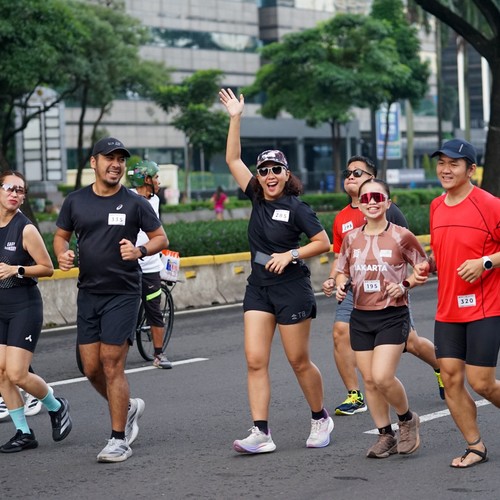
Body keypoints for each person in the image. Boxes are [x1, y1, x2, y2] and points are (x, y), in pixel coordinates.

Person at [219, 88, 333, 454]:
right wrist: (236, 118)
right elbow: (232, 158)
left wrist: (291, 254)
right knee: (255, 361)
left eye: (276, 170)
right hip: (260, 288)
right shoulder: (255, 195)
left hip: (292, 288)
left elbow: (323, 242)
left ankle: (320, 417)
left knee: (298, 361)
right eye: (264, 170)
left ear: (286, 175)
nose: (269, 176)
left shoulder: (297, 207)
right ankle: (261, 432)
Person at [54, 137, 168, 463]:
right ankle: (127, 408)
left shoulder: (134, 203)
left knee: (111, 363)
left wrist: (139, 250)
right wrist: (62, 253)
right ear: (94, 162)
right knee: (90, 368)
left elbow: (161, 237)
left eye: (120, 159)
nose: (116, 164)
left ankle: (119, 439)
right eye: (109, 158)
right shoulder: (75, 201)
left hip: (123, 291)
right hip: (89, 292)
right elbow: (61, 236)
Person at [322, 155, 443, 416]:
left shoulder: (390, 211)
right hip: (356, 291)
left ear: (372, 179)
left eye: (357, 173)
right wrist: (335, 280)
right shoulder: (341, 218)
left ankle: (441, 366)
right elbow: (340, 259)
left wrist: (404, 284)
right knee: (340, 332)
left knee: (410, 343)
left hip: (390, 292)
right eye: (347, 173)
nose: (350, 177)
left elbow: (408, 253)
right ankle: (355, 395)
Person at [412, 139, 500, 468]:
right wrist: (429, 265)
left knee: (481, 382)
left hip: (485, 307)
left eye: (454, 164)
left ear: (471, 170)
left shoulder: (490, 204)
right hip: (448, 309)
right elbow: (446, 250)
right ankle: (475, 446)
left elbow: (485, 256)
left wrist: (485, 263)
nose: (445, 170)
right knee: (450, 378)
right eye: (441, 163)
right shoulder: (436, 206)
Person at [335, 177, 426, 458]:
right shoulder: (351, 238)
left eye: (378, 197)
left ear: (388, 203)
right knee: (370, 381)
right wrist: (337, 284)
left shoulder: (401, 236)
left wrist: (405, 284)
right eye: (366, 198)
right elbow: (341, 271)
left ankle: (407, 419)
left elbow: (423, 266)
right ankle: (385, 435)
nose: (371, 202)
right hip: (361, 316)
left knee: (383, 376)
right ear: (359, 204)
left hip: (392, 314)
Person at [0, 171, 72, 453]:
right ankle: (24, 433)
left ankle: (56, 405)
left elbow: (47, 268)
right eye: (10, 188)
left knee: (17, 373)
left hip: (24, 307)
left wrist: (16, 269)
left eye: (20, 190)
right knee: (1, 374)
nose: (15, 194)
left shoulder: (25, 229)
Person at [127, 160, 172, 369]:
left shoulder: (155, 200)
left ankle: (159, 354)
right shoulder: (126, 197)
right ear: (146, 180)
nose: (158, 181)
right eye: (156, 177)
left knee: (154, 310)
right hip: (128, 265)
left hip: (150, 266)